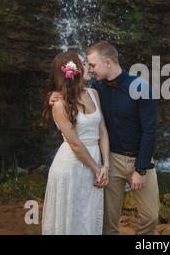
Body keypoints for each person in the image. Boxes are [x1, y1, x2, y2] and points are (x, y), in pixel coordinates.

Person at [49, 41, 160, 235]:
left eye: (92, 65)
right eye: (87, 66)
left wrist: (140, 169)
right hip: (112, 160)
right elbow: (71, 89)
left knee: (150, 217)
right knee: (108, 222)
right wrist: (53, 94)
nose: (90, 70)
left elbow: (150, 130)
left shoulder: (140, 86)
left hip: (141, 160)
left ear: (107, 62)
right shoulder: (96, 89)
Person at [42, 51, 110, 235]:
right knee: (70, 217)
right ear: (74, 70)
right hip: (71, 164)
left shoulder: (94, 93)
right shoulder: (59, 104)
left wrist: (106, 166)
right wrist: (97, 169)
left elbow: (102, 130)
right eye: (83, 63)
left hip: (96, 160)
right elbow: (75, 144)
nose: (88, 66)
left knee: (88, 214)